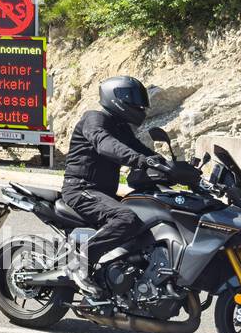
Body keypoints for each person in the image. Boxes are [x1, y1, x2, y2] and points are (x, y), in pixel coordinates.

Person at [62, 75, 171, 291]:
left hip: (102, 193)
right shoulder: (94, 119)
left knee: (148, 214)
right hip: (81, 189)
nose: (140, 107)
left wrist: (170, 168)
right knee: (126, 218)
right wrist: (140, 160)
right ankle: (80, 260)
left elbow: (142, 150)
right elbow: (105, 144)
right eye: (135, 102)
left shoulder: (121, 128)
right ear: (117, 98)